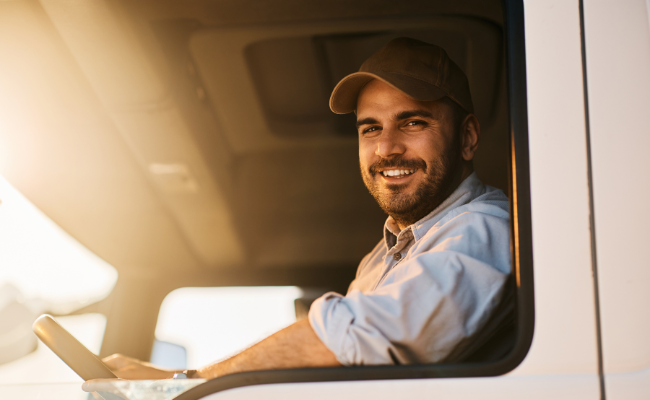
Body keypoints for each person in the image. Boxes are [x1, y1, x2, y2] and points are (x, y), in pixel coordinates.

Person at [101, 37, 511, 380]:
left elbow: (358, 334)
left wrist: (185, 383)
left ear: (468, 137)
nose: (386, 148)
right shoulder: (382, 257)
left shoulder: (486, 228)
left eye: (413, 122)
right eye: (371, 128)